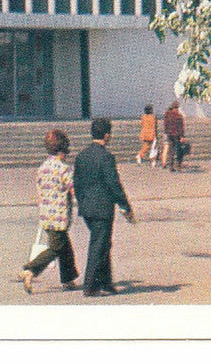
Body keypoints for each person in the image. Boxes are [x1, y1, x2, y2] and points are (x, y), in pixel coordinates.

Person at [73, 117, 135, 297]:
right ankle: (91, 285)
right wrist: (125, 205)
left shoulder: (82, 155)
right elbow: (113, 184)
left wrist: (82, 201)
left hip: (87, 208)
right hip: (102, 208)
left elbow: (76, 183)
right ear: (107, 135)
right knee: (99, 245)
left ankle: (106, 282)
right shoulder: (106, 157)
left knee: (103, 243)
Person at [19, 129, 79, 294]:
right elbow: (73, 189)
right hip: (59, 217)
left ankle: (68, 279)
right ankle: (30, 269)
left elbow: (39, 192)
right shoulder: (64, 169)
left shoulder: (43, 167)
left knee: (65, 247)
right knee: (56, 248)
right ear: (63, 150)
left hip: (46, 215)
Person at [163, 101, 186, 172]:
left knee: (171, 150)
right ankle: (178, 166)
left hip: (170, 134)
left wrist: (166, 132)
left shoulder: (167, 115)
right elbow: (181, 127)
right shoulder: (179, 116)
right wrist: (182, 136)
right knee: (179, 150)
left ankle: (171, 166)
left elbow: (165, 124)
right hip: (177, 135)